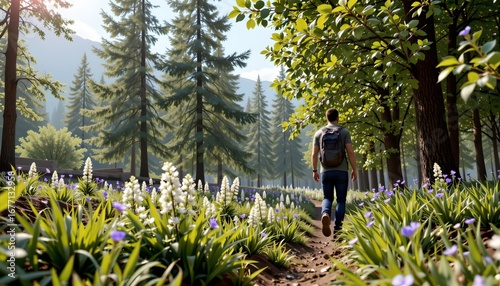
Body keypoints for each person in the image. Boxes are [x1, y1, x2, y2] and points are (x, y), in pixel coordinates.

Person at [311, 108, 357, 237]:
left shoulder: (319, 133)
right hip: (341, 171)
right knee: (341, 200)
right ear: (338, 118)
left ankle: (325, 213)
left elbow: (314, 154)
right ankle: (338, 230)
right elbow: (351, 152)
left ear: (326, 118)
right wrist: (354, 169)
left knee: (327, 198)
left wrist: (314, 170)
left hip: (325, 171)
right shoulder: (344, 132)